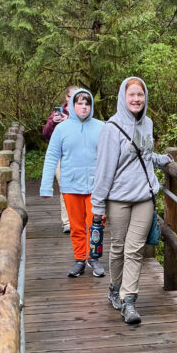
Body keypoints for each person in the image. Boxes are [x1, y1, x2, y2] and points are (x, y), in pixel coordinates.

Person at [91, 76, 171, 325]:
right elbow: (104, 169)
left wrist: (160, 159)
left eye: (140, 94)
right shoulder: (111, 128)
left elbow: (143, 153)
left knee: (135, 249)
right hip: (118, 199)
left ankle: (128, 301)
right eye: (132, 95)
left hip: (144, 197)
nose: (136, 99)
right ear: (123, 98)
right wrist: (97, 205)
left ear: (145, 97)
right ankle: (114, 288)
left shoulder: (148, 123)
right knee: (118, 248)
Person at [40, 87, 105, 278]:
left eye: (87, 103)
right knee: (76, 226)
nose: (83, 107)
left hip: (95, 186)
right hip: (71, 185)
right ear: (72, 105)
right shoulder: (61, 129)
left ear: (91, 106)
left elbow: (111, 155)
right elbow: (52, 156)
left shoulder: (101, 127)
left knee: (96, 225)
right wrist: (46, 185)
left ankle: (94, 258)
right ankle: (79, 260)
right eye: (80, 103)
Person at [42, 85, 78, 234]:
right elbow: (46, 134)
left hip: (79, 157)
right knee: (65, 187)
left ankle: (78, 219)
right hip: (60, 156)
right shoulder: (59, 113)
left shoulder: (84, 111)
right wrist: (54, 122)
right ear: (66, 97)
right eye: (73, 96)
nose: (76, 99)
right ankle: (67, 222)